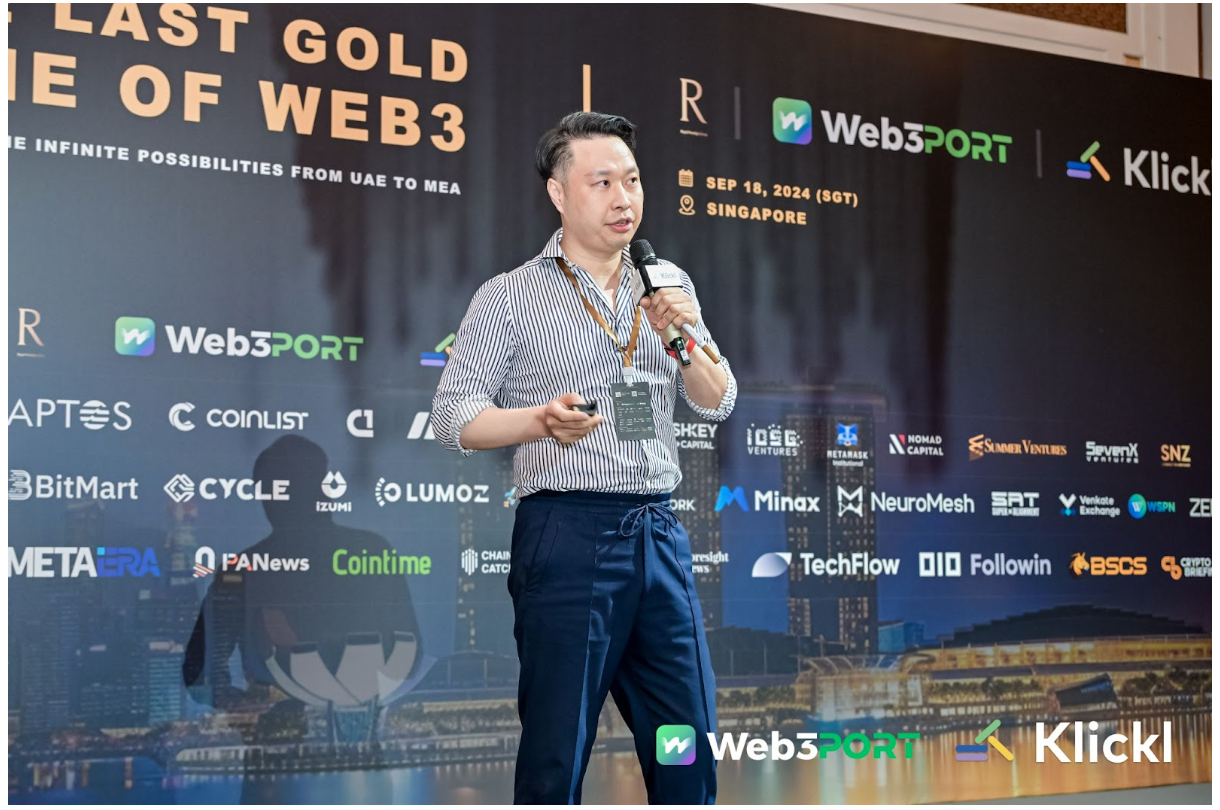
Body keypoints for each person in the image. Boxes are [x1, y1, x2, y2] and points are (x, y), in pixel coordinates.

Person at [431, 111, 737, 805]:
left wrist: (684, 337)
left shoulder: (666, 283)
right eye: (602, 183)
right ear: (558, 193)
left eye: (632, 180)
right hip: (567, 535)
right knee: (557, 746)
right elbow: (453, 417)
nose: (624, 198)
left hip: (658, 532)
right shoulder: (510, 295)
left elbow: (717, 401)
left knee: (685, 740)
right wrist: (537, 421)